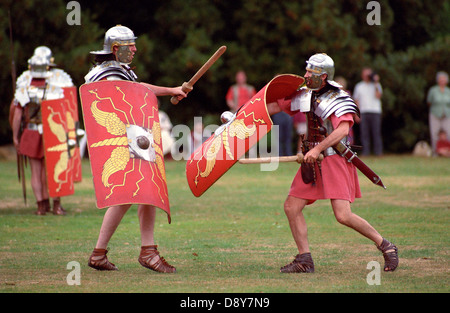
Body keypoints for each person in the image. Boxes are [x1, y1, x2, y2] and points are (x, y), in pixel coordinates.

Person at [267, 53, 398, 273]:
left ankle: (386, 246)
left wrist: (318, 148)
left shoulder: (338, 96)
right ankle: (305, 260)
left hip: (334, 158)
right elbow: (274, 107)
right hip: (312, 161)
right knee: (291, 207)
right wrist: (241, 117)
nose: (306, 75)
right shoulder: (305, 94)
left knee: (343, 215)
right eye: (307, 70)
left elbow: (343, 130)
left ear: (324, 76)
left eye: (311, 72)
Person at [85, 25, 187, 273]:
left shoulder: (118, 71)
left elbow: (138, 89)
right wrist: (172, 90)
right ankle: (143, 252)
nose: (135, 50)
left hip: (136, 138)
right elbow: (138, 92)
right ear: (116, 49)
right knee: (129, 192)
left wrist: (172, 90)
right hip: (126, 139)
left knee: (144, 189)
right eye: (130, 46)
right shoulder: (108, 74)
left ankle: (124, 251)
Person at [11, 46, 72, 215]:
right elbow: (65, 113)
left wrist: (15, 136)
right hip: (52, 133)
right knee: (53, 170)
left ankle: (41, 206)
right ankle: (56, 205)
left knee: (36, 172)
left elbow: (17, 116)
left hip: (30, 132)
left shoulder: (24, 88)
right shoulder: (56, 88)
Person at [353, 67, 383, 156]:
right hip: (363, 112)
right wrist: (356, 114)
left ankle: (378, 152)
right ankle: (366, 152)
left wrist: (376, 82)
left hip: (375, 111)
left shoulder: (376, 85)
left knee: (376, 132)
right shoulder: (359, 86)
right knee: (364, 133)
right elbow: (356, 100)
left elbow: (378, 95)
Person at [427, 71, 450, 154]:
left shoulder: (448, 91)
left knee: (448, 132)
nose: (442, 81)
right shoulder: (433, 90)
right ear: (438, 80)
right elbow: (429, 102)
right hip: (435, 114)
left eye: (444, 79)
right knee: (434, 133)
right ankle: (435, 152)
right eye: (441, 79)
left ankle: (448, 151)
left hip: (447, 115)